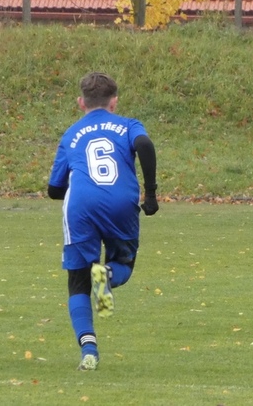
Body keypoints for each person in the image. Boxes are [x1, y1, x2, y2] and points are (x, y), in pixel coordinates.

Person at [47, 72, 158, 370]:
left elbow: (54, 190)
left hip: (81, 206)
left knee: (78, 280)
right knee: (123, 263)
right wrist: (151, 193)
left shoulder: (71, 134)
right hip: (121, 202)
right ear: (114, 102)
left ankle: (89, 351)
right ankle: (106, 275)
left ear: (80, 103)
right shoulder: (128, 125)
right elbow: (145, 145)